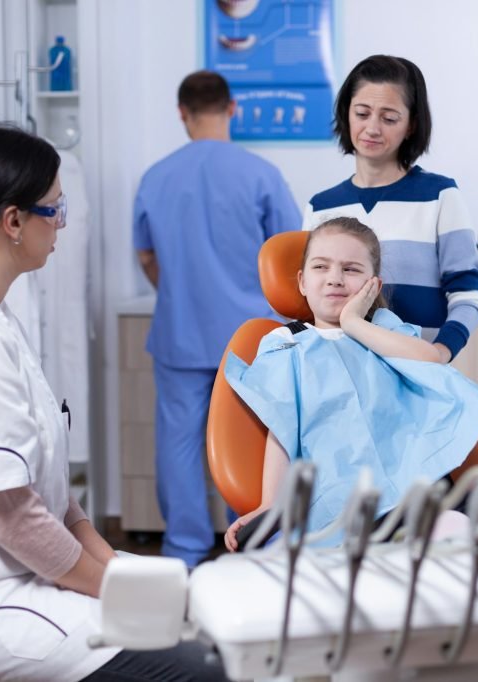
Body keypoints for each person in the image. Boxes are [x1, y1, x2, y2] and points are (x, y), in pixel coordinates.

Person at [0, 123, 226, 682]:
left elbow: (51, 495)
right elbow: (15, 518)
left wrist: (112, 566)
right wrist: (109, 590)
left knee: (207, 618)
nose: (61, 226)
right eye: (55, 211)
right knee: (200, 669)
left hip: (21, 573)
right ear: (14, 222)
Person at [222, 218, 478, 594]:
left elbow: (429, 361)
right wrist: (270, 505)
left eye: (352, 269)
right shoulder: (284, 344)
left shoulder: (382, 328)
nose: (334, 278)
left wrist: (353, 323)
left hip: (421, 477)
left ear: (373, 285)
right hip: (354, 498)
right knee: (459, 533)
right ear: (301, 282)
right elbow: (282, 426)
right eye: (321, 267)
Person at [133, 70, 302, 568]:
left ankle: (183, 553)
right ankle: (249, 548)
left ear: (182, 114)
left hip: (180, 333)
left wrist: (181, 293)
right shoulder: (261, 175)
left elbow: (145, 256)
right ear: (232, 110)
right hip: (248, 341)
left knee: (179, 443)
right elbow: (288, 257)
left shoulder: (155, 177)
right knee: (247, 443)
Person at [303, 55, 478, 364]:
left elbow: (467, 297)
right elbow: (309, 299)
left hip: (421, 377)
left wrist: (441, 351)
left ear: (411, 125)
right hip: (346, 376)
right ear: (347, 114)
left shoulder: (439, 196)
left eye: (389, 118)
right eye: (362, 113)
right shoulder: (320, 207)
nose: (372, 128)